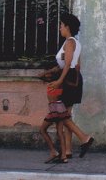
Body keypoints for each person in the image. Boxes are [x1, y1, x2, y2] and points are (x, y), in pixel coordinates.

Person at [45, 13, 94, 161]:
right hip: (73, 78)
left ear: (67, 27)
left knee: (61, 115)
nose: (60, 28)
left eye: (61, 25)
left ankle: (84, 138)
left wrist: (60, 80)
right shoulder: (74, 42)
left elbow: (67, 64)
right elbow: (76, 65)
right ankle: (67, 150)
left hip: (68, 79)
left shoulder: (69, 43)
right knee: (66, 114)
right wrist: (52, 71)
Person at [38, 79, 70, 163]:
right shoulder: (60, 84)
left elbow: (41, 76)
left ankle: (53, 151)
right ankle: (63, 156)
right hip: (60, 107)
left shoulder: (52, 84)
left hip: (54, 108)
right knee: (60, 132)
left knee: (42, 130)